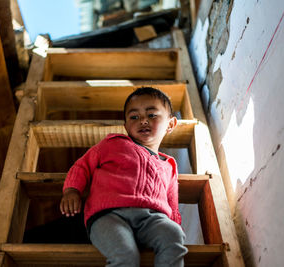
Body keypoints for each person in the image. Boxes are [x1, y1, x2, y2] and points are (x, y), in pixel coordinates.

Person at [60, 87, 188, 267]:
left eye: (151, 115)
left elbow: (172, 204)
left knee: (173, 235)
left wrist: (174, 226)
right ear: (126, 126)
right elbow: (82, 165)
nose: (143, 120)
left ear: (170, 124)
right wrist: (72, 190)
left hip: (152, 219)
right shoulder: (113, 144)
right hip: (109, 216)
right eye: (134, 117)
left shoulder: (169, 166)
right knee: (126, 256)